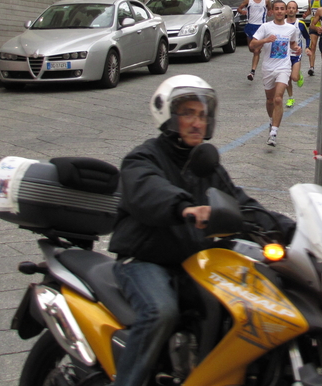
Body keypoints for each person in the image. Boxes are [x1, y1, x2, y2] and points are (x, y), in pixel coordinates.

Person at [109, 75, 294, 386]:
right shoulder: (143, 158)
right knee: (160, 312)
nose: (197, 122)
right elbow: (147, 190)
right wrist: (185, 207)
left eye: (202, 114)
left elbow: (242, 204)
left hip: (193, 263)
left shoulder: (207, 166)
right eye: (188, 113)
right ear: (168, 115)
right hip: (144, 261)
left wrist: (292, 231)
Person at [249, 1, 301, 146]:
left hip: (284, 67)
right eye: (276, 9)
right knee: (270, 100)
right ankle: (272, 121)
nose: (279, 11)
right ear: (272, 11)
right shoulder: (265, 27)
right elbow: (252, 44)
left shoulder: (291, 29)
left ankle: (274, 133)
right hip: (268, 68)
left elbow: (292, 43)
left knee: (278, 99)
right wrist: (266, 40)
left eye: (281, 9)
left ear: (285, 12)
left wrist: (297, 48)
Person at [237, 0, 272, 81]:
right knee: (251, 48)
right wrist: (242, 11)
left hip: (261, 27)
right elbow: (239, 8)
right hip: (250, 26)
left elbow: (270, 9)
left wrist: (270, 12)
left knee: (256, 51)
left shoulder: (266, 1)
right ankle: (257, 53)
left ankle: (252, 72)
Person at [284, 0, 310, 108]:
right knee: (287, 78)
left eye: (293, 8)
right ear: (286, 10)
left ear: (296, 10)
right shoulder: (282, 23)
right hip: (284, 55)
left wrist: (308, 48)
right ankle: (290, 98)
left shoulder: (300, 24)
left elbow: (307, 37)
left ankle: (299, 75)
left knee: (294, 77)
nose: (291, 9)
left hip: (296, 54)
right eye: (289, 7)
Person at [302, 0, 322, 76]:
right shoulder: (310, 0)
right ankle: (311, 67)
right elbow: (310, 10)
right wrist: (305, 14)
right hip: (313, 26)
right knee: (313, 45)